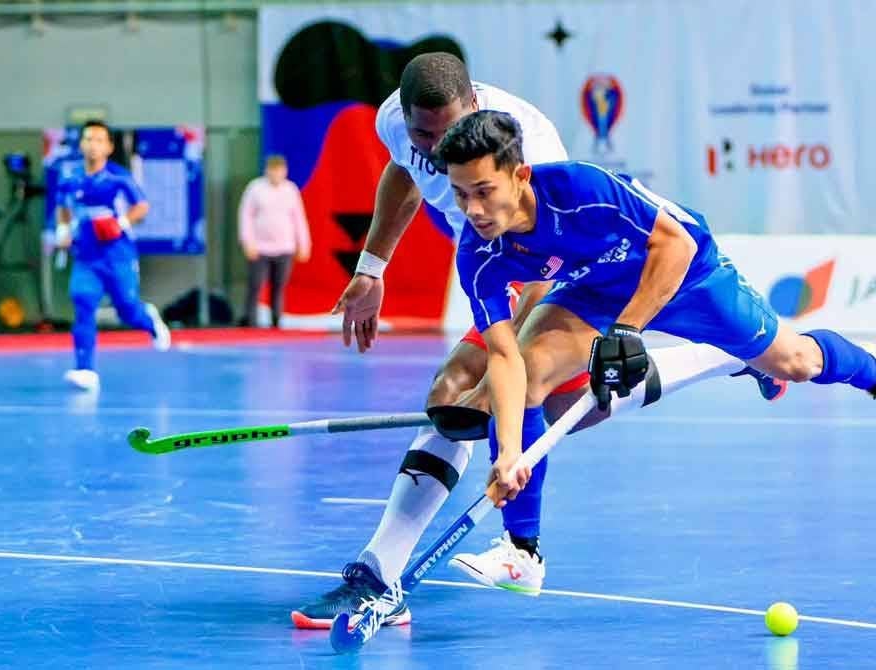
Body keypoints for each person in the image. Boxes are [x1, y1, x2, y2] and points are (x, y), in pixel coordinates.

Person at [291, 55, 784, 629]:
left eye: (446, 133)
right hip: (487, 266)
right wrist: (373, 266)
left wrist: (503, 389)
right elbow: (404, 169)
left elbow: (549, 266)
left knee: (532, 402)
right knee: (454, 399)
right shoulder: (396, 124)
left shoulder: (533, 143)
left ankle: (722, 354)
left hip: (560, 276)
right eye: (424, 135)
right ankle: (379, 576)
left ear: (473, 106)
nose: (434, 148)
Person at [434, 110, 876, 511]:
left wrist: (628, 330)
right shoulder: (477, 255)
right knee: (533, 366)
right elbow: (504, 359)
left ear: (519, 176)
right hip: (599, 286)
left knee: (795, 364)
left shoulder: (581, 190)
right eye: (460, 195)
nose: (473, 210)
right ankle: (522, 553)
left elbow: (674, 246)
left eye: (484, 192)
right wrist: (508, 454)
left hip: (685, 272)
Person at [55, 120, 170, 392]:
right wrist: (63, 229)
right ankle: (86, 369)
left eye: (98, 140)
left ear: (108, 147)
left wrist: (120, 223)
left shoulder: (119, 177)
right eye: (88, 139)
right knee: (82, 301)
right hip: (86, 256)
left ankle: (149, 321)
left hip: (118, 255)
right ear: (81, 144)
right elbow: (63, 208)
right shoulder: (69, 178)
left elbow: (141, 206)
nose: (92, 145)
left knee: (127, 309)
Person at [238, 155, 311, 328]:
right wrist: (248, 242)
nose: (276, 174)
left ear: (284, 171)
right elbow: (245, 216)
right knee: (255, 284)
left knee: (279, 285)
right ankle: (250, 319)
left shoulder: (290, 190)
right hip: (260, 247)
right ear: (267, 170)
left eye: (280, 170)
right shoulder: (255, 189)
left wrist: (304, 245)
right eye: (273, 170)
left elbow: (299, 219)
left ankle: (276, 320)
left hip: (284, 247)